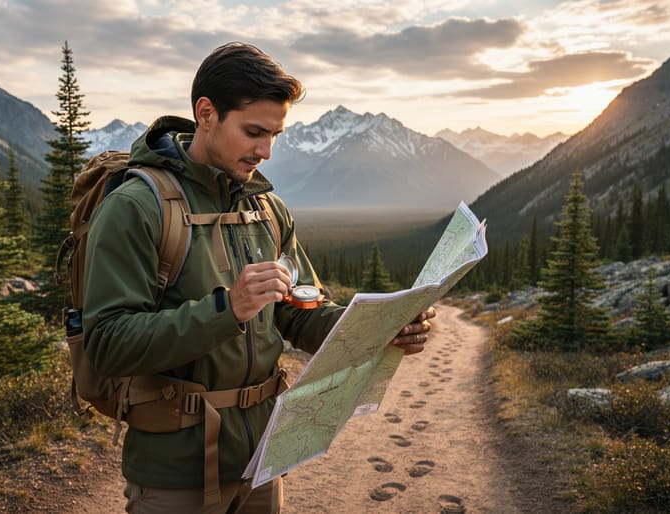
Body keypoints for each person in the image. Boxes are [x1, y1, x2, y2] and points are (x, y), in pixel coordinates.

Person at [82, 42, 436, 514]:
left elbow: (299, 311)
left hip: (261, 464)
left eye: (275, 135)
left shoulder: (266, 210)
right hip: (174, 475)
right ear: (206, 113)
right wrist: (228, 309)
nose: (266, 151)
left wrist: (382, 328)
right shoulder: (136, 207)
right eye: (253, 132)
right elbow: (106, 344)